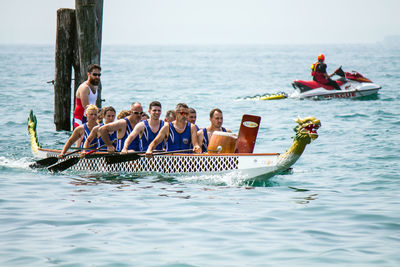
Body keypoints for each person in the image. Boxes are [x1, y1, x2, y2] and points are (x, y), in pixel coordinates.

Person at [73, 64, 101, 129]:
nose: (97, 77)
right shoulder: (84, 88)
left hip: (92, 117)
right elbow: (86, 107)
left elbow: (94, 104)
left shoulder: (96, 87)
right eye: (94, 74)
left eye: (99, 75)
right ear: (88, 74)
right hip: (80, 119)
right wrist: (100, 111)